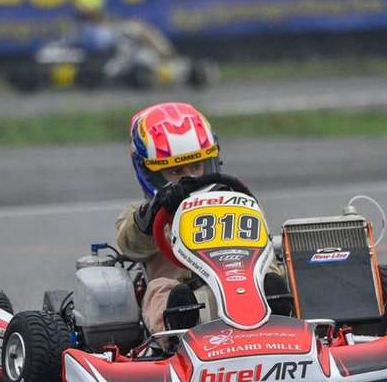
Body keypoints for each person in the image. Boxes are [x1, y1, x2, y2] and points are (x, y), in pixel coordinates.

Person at [116, 102, 286, 336]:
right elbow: (129, 244)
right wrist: (152, 213)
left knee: (274, 274)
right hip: (186, 299)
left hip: (242, 282)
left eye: (196, 167)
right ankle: (174, 338)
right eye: (176, 172)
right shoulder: (143, 214)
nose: (190, 179)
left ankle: (280, 315)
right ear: (150, 174)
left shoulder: (236, 200)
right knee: (160, 289)